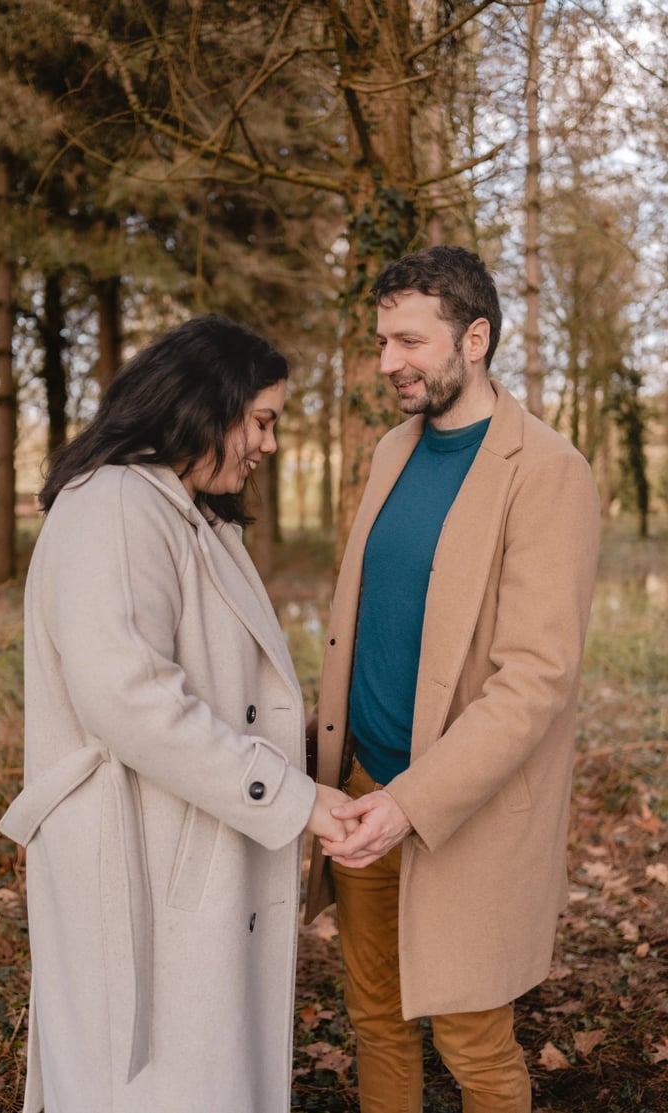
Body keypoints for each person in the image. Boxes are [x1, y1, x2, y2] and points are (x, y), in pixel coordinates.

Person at [0, 314, 353, 1113]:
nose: (267, 443)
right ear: (206, 404)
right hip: (139, 851)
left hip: (185, 836)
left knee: (200, 1073)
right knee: (157, 1083)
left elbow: (211, 683)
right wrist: (293, 798)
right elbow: (128, 696)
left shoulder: (188, 511)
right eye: (260, 419)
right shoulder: (115, 504)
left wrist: (300, 738)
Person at [304, 246, 601, 1113]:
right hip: (359, 790)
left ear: (474, 339)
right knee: (375, 1016)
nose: (387, 362)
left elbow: (535, 682)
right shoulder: (392, 451)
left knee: (474, 1040)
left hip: (460, 812)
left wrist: (414, 800)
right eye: (381, 341)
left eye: (408, 340)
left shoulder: (548, 472)